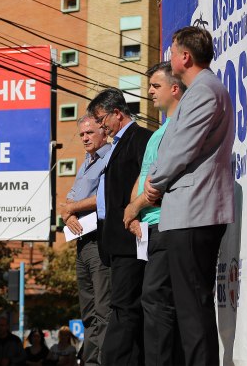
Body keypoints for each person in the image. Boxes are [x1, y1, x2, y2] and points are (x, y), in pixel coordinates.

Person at [145, 26, 235, 366]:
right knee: (189, 308)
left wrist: (155, 181)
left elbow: (180, 148)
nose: (169, 58)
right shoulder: (201, 91)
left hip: (194, 211)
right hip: (188, 211)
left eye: (172, 52)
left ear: (185, 57)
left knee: (193, 310)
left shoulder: (203, 92)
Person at [122, 62, 185, 365]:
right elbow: (144, 175)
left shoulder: (179, 127)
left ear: (175, 88)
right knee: (153, 301)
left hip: (166, 223)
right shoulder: (158, 132)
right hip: (147, 229)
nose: (149, 92)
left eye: (155, 86)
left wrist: (134, 207)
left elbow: (159, 181)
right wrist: (133, 214)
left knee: (156, 298)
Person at [87, 87, 152, 365]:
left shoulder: (141, 138)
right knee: (122, 306)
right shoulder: (114, 145)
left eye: (102, 119)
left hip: (131, 239)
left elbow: (147, 179)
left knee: (125, 307)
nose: (101, 126)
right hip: (113, 241)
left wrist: (134, 212)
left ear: (117, 113)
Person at [59, 116, 111, 366]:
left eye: (89, 132)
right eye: (81, 134)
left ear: (103, 130)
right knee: (87, 311)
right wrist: (68, 214)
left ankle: (104, 360)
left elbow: (104, 196)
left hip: (100, 240)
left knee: (103, 309)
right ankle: (90, 361)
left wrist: (71, 208)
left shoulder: (110, 157)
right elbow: (69, 198)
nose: (85, 138)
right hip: (81, 241)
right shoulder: (86, 163)